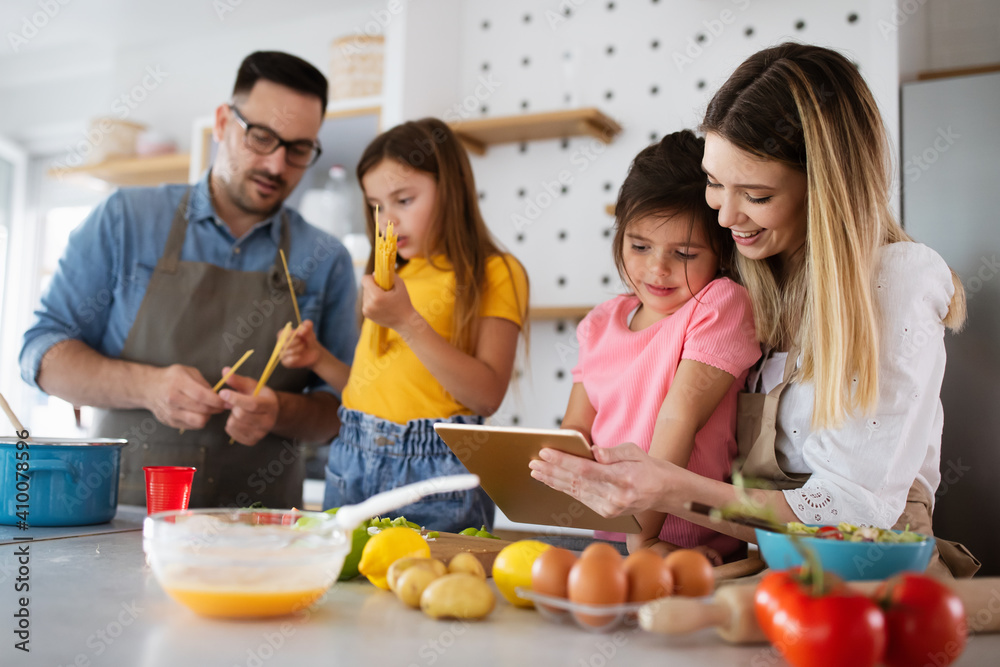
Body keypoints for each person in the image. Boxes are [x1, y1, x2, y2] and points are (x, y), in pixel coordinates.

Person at [529, 42, 979, 577]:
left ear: (826, 189)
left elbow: (855, 515)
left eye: (757, 195)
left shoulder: (894, 280)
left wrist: (667, 488)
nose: (724, 215)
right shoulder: (750, 280)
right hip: (764, 562)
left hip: (862, 575)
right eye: (715, 184)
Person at [19, 51, 358, 509]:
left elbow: (343, 410)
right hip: (123, 519)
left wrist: (280, 411)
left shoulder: (325, 259)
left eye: (298, 149)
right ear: (223, 123)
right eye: (261, 138)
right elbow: (42, 355)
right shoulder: (126, 220)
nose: (277, 166)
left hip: (262, 534)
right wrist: (147, 387)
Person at [279, 118, 529, 533]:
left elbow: (486, 396)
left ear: (451, 188)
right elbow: (372, 389)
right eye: (377, 205)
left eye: (404, 200)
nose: (387, 222)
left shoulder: (495, 272)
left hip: (437, 471)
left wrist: (408, 321)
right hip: (352, 457)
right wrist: (318, 359)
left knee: (430, 592)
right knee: (343, 590)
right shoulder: (386, 276)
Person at [563, 130, 759, 563]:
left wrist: (644, 539)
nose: (658, 268)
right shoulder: (599, 323)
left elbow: (679, 419)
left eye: (685, 254)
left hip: (690, 545)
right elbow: (577, 426)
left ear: (721, 253)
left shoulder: (720, 304)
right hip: (609, 537)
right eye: (639, 246)